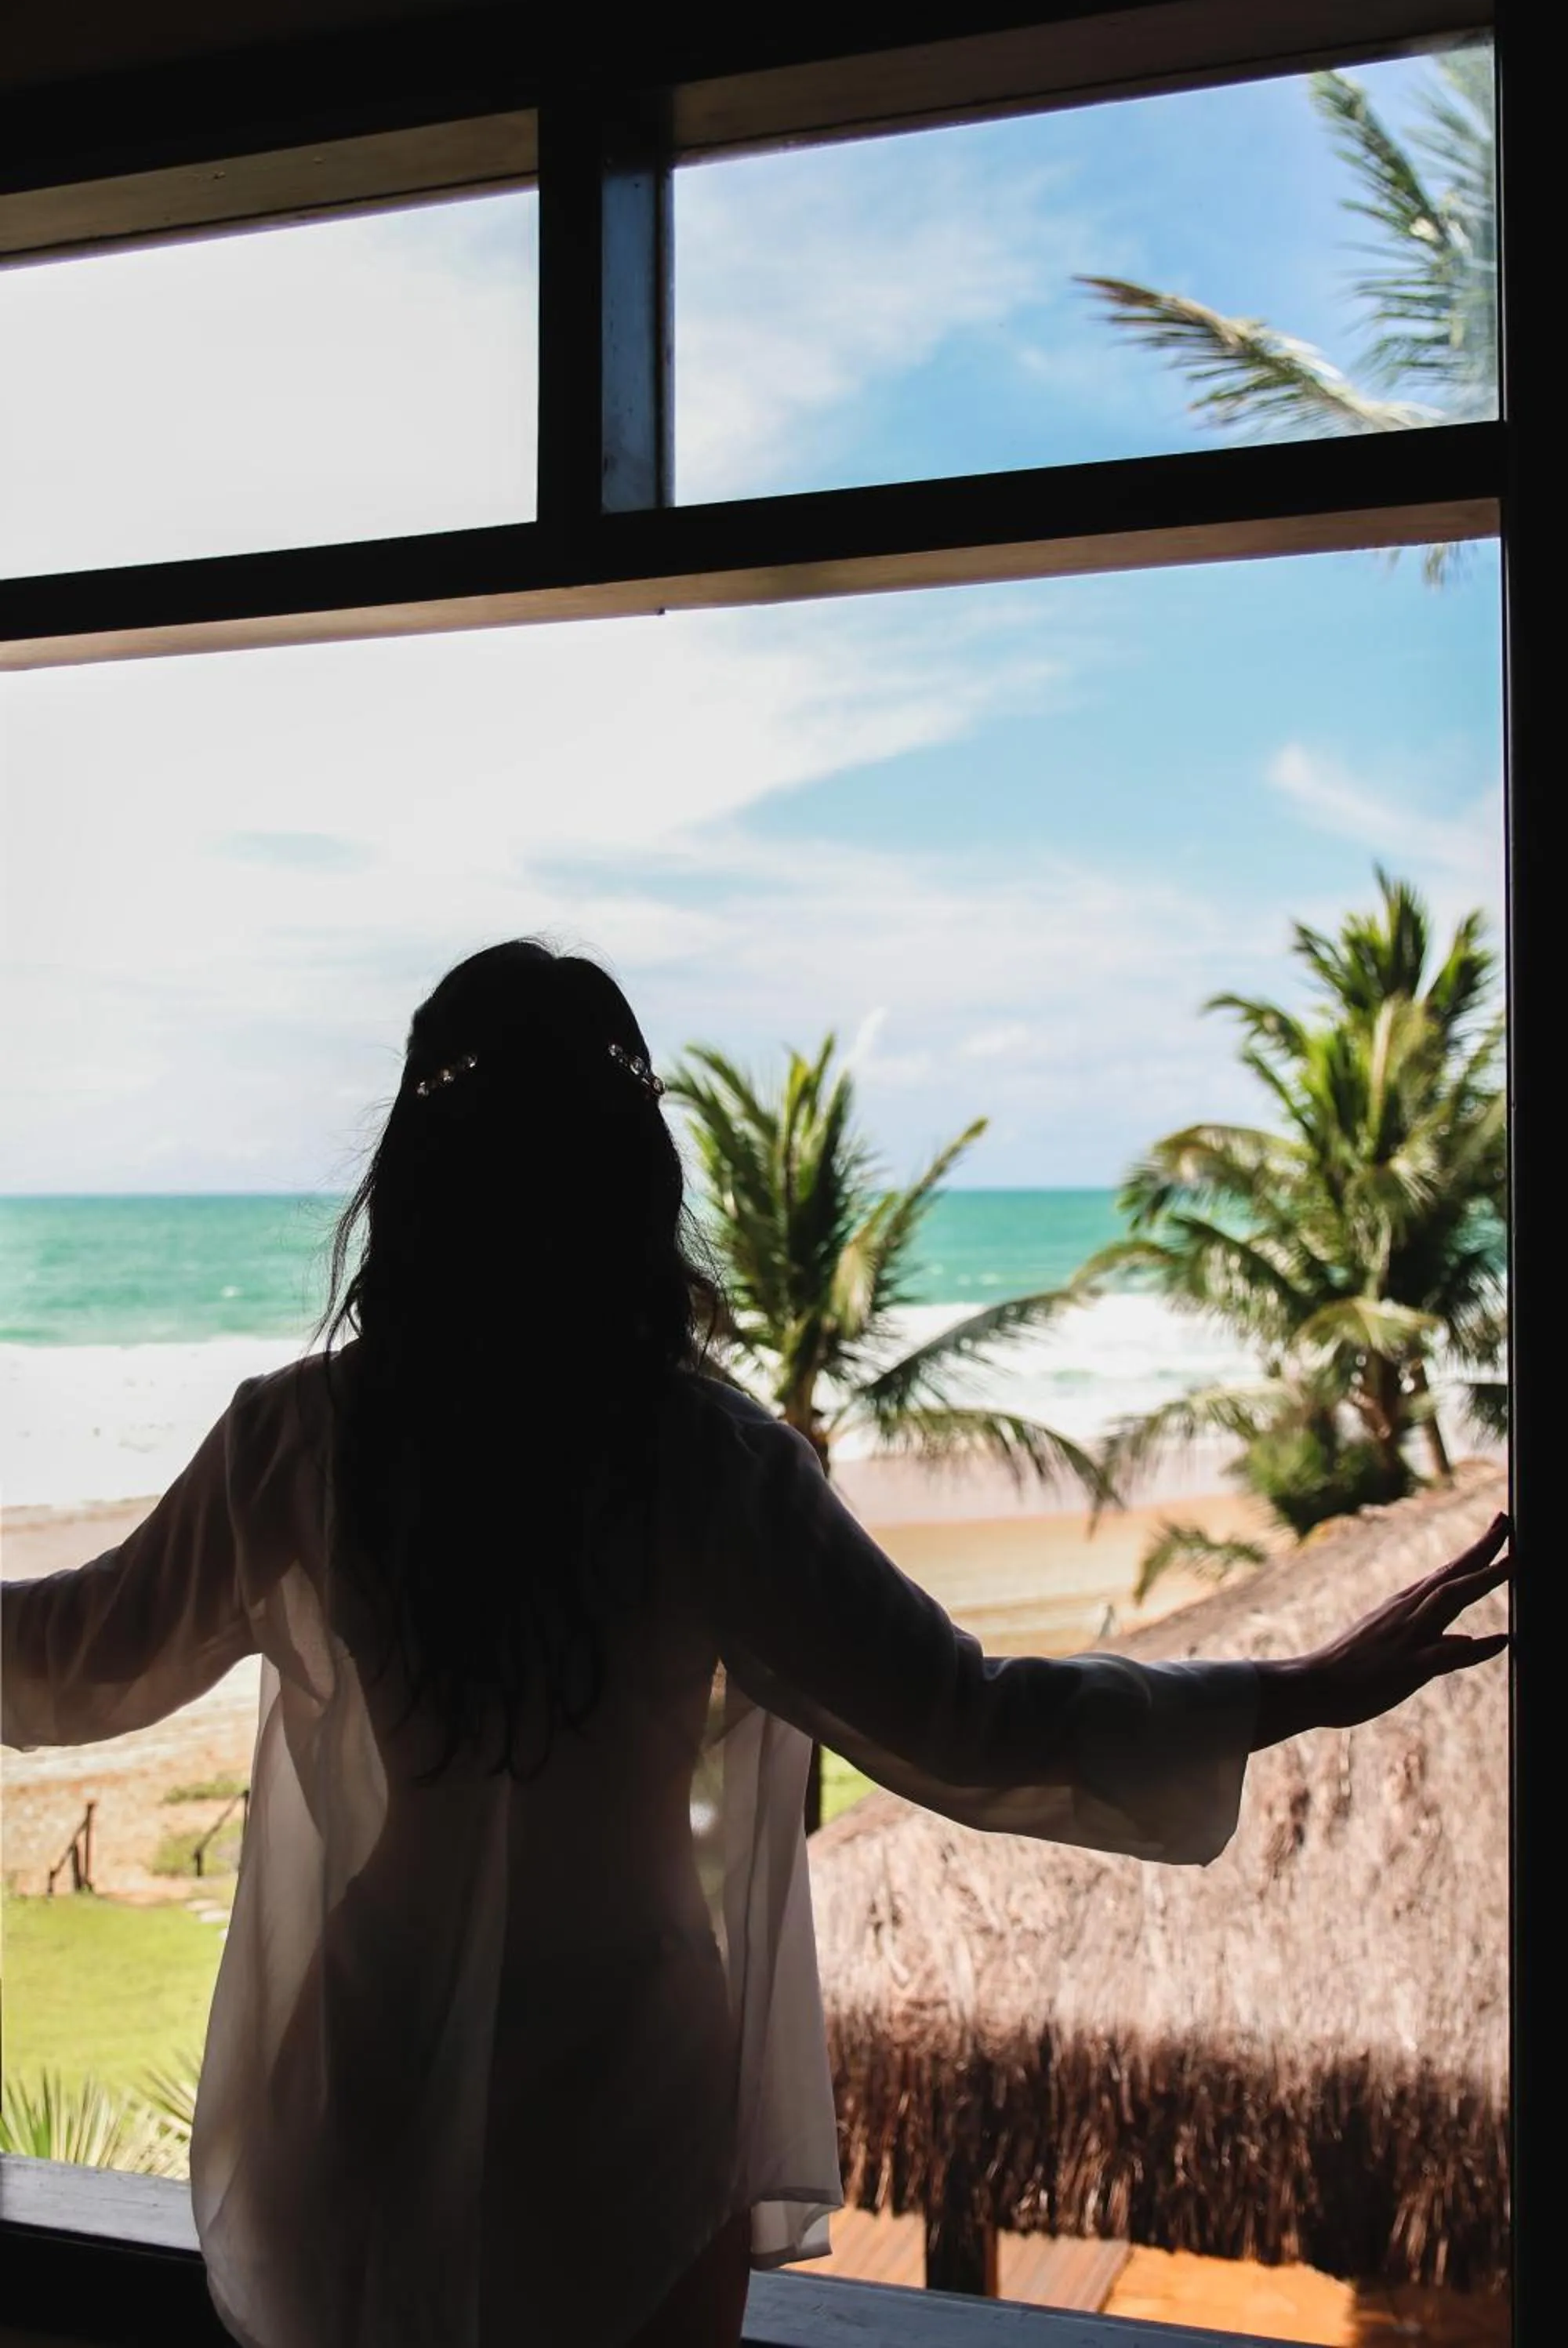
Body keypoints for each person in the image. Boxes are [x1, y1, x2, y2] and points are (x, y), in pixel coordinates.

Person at [1, 940, 1511, 2348]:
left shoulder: (301, 1443)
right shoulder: (710, 1469)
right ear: (634, 1182)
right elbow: (967, 1723)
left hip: (371, 2050)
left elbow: (70, 1657)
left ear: (412, 1181)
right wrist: (1286, 1690)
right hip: (627, 2088)